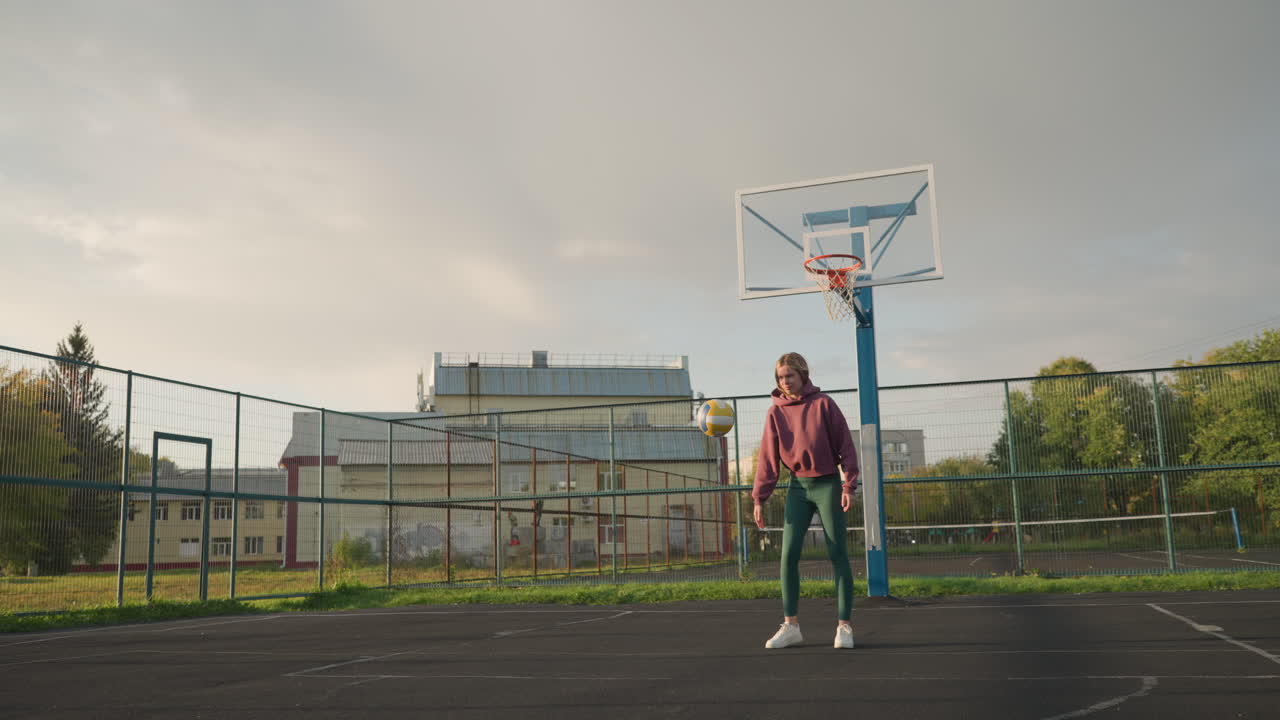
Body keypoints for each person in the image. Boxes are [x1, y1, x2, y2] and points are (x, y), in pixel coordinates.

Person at [753, 352, 860, 649]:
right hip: (797, 488)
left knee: (837, 553)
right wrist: (759, 498)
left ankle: (844, 626)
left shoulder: (824, 404)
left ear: (803, 375)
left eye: (789, 376)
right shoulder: (775, 412)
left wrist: (848, 485)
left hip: (827, 485)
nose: (784, 382)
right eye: (780, 377)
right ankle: (791, 626)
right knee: (788, 556)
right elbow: (767, 459)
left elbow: (846, 447)